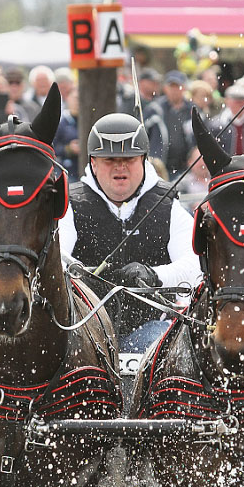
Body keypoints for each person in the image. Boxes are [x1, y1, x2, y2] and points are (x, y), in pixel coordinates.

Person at [59, 112, 201, 352]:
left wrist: (153, 275)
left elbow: (195, 264)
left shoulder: (168, 206)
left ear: (144, 160)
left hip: (152, 328)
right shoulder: (70, 205)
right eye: (110, 159)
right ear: (93, 162)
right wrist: (79, 275)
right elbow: (55, 257)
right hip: (85, 331)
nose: (120, 167)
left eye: (129, 159)